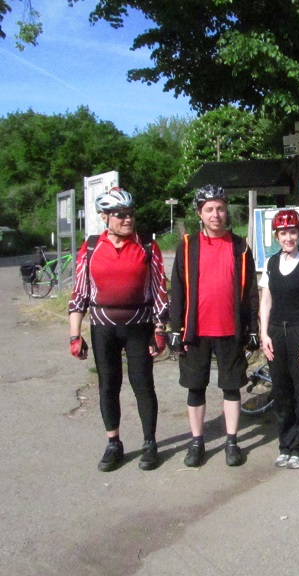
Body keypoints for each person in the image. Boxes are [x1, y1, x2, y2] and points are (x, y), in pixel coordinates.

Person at [69, 187, 169, 472]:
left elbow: (159, 290)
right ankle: (113, 443)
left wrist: (159, 329)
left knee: (143, 385)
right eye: (121, 215)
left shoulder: (147, 245)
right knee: (108, 386)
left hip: (139, 325)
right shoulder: (91, 247)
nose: (128, 219)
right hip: (103, 326)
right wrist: (75, 334)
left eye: (131, 214)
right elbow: (80, 293)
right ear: (105, 217)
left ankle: (150, 443)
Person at [168, 185, 259, 468]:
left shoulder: (240, 246)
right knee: (195, 387)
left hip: (230, 330)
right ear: (199, 213)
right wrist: (174, 329)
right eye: (209, 209)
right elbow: (177, 290)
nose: (215, 214)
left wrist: (253, 327)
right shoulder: (188, 246)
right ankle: (197, 441)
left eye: (220, 208)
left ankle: (232, 441)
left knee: (231, 388)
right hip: (196, 331)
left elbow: (251, 290)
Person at [259, 210, 299, 469]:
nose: (288, 238)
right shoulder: (271, 263)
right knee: (281, 390)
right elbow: (265, 301)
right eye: (283, 233)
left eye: (293, 232)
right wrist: (264, 334)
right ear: (277, 236)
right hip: (276, 332)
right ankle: (285, 443)